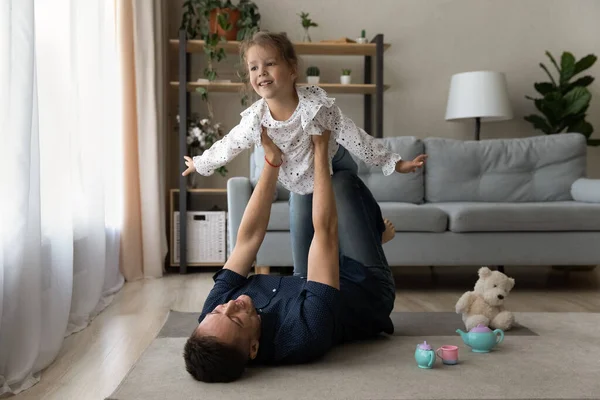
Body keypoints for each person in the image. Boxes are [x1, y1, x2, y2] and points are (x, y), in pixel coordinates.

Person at [181, 31, 426, 276]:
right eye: (253, 67)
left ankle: (376, 230)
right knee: (301, 244)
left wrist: (395, 162)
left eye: (270, 63)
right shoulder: (256, 119)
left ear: (292, 69)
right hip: (298, 183)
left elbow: (353, 135)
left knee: (351, 187)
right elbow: (230, 143)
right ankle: (304, 286)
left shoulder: (315, 105)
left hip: (334, 163)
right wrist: (201, 163)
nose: (261, 72)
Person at [183, 129, 398, 383]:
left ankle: (366, 235)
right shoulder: (303, 335)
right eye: (236, 319)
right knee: (341, 183)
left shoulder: (211, 322)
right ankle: (370, 237)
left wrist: (272, 161)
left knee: (301, 187)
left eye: (218, 312)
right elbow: (325, 234)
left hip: (307, 278)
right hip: (365, 286)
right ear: (253, 348)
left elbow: (247, 241)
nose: (230, 305)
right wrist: (320, 150)